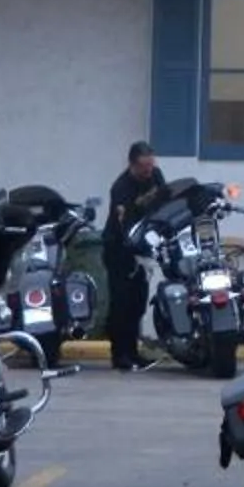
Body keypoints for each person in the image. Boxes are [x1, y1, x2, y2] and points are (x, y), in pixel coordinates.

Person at [103, 140, 165, 372]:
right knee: (122, 304)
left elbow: (163, 201)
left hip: (143, 250)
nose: (148, 171)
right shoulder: (121, 188)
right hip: (119, 250)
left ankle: (134, 352)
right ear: (132, 165)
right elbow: (122, 224)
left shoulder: (156, 176)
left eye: (151, 166)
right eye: (144, 168)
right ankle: (120, 355)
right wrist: (133, 246)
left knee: (138, 302)